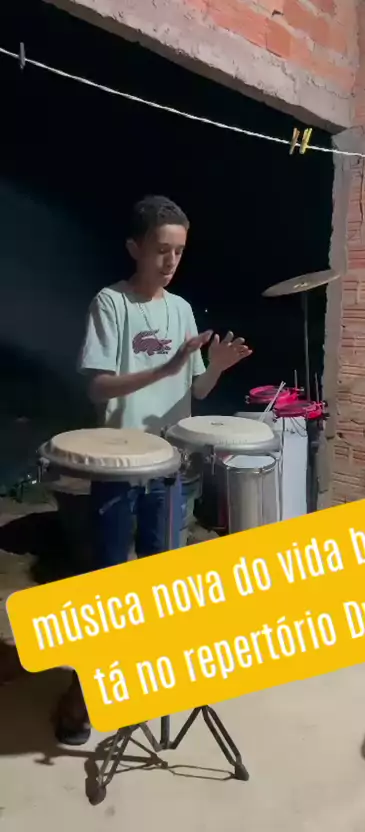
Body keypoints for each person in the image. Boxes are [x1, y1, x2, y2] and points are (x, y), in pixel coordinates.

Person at [54, 195, 252, 745]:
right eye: (161, 249)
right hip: (118, 465)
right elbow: (98, 387)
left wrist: (215, 368)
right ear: (134, 247)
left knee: (161, 581)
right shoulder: (111, 303)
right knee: (109, 584)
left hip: (171, 467)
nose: (170, 261)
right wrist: (165, 366)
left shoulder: (181, 309)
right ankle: (82, 691)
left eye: (179, 251)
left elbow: (194, 389)